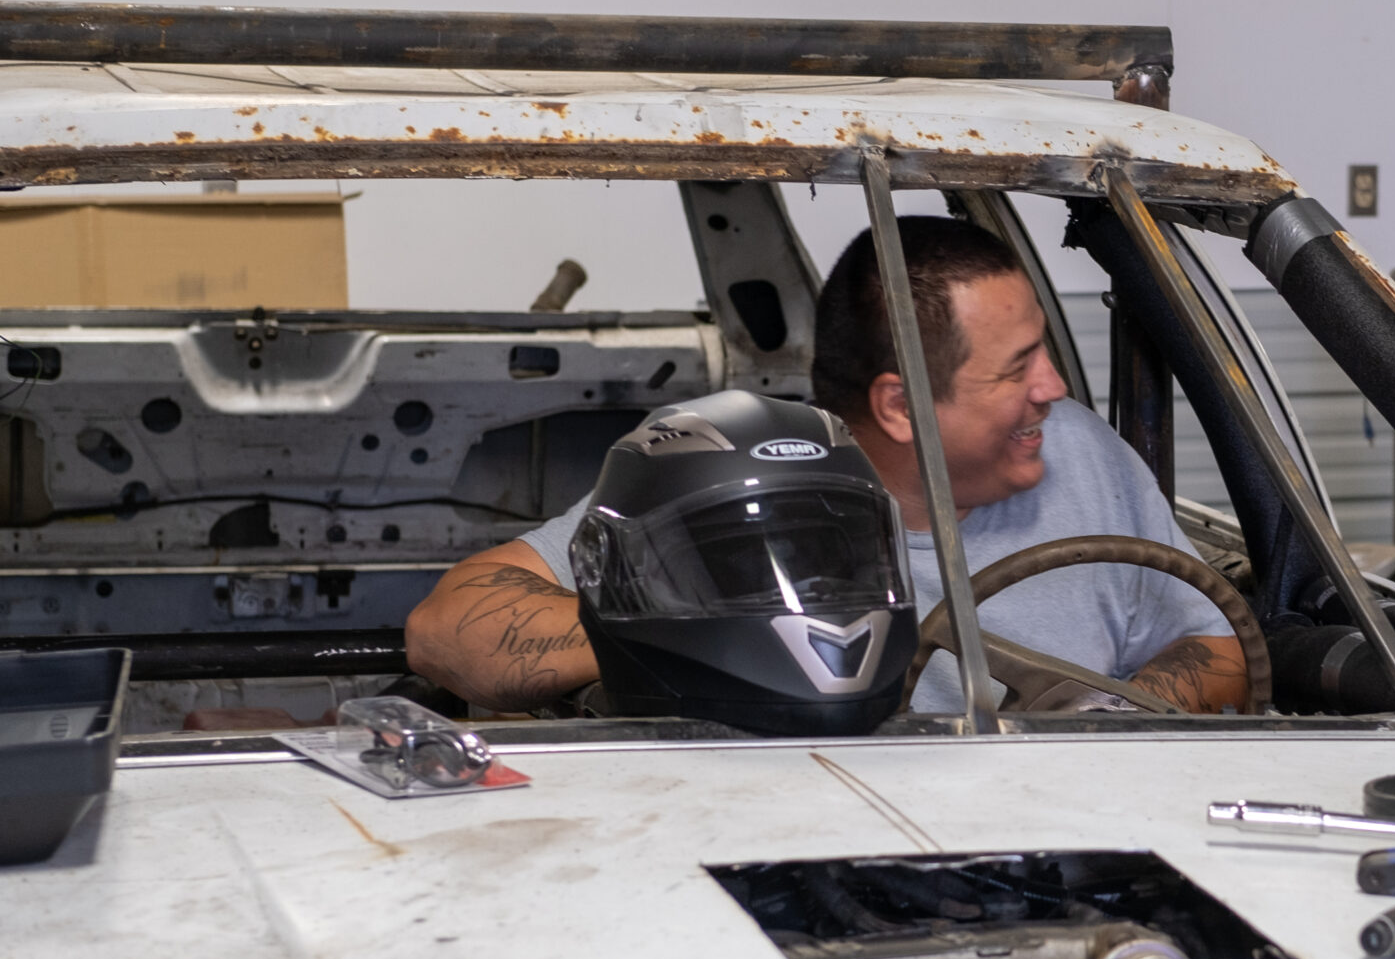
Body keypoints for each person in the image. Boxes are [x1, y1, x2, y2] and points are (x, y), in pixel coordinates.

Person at [407, 216, 1248, 715]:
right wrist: (695, 622)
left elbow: (1215, 642)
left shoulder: (1084, 458)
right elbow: (447, 633)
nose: (1053, 388)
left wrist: (1108, 716)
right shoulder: (712, 471)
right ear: (897, 406)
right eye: (1016, 367)